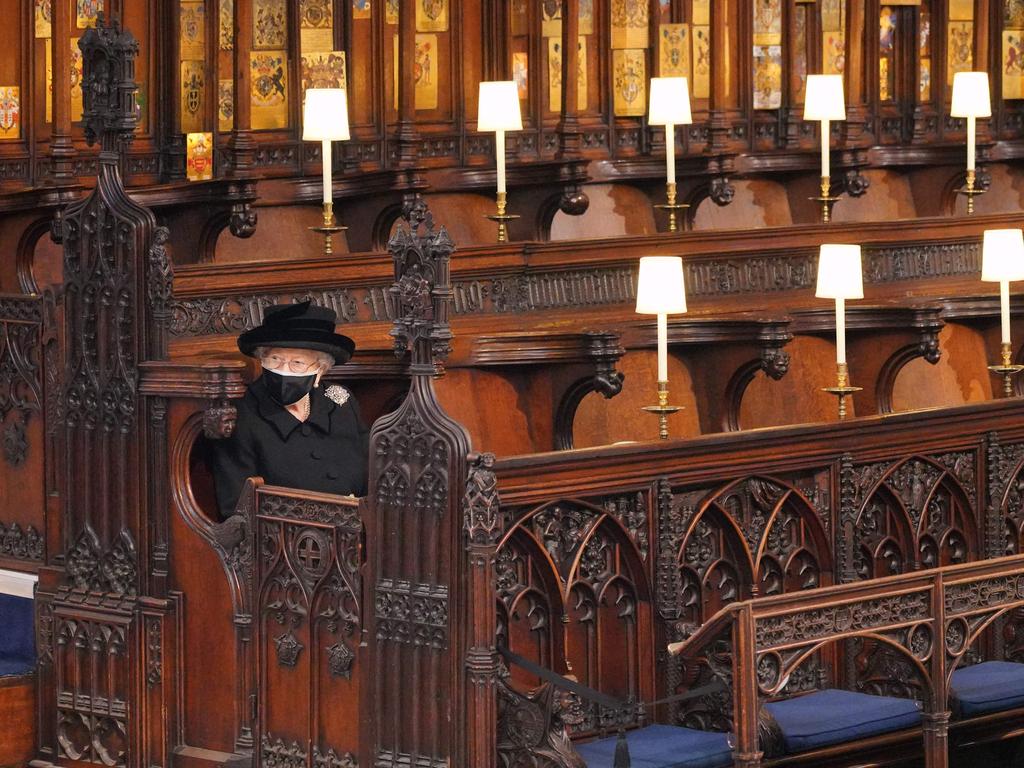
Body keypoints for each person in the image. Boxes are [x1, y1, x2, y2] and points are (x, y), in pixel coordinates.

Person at [212, 301, 369, 517]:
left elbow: (373, 477)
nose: (284, 371)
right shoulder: (241, 414)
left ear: (320, 372)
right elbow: (237, 512)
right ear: (261, 359)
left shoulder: (340, 400)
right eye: (275, 359)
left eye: (297, 363)